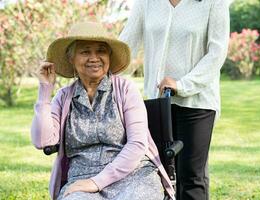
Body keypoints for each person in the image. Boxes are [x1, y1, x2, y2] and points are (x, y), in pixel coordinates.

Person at [31, 21, 175, 200]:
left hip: (133, 176)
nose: (94, 57)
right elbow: (42, 141)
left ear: (109, 56)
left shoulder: (125, 89)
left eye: (101, 50)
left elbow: (137, 144)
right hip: (81, 180)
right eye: (85, 51)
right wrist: (45, 91)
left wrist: (97, 182)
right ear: (71, 59)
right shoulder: (63, 97)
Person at [119, 0, 230, 199]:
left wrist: (182, 84)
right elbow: (126, 44)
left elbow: (217, 53)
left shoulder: (214, 3)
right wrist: (97, 73)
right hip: (158, 103)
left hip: (197, 102)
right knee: (158, 175)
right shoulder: (147, 3)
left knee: (191, 177)